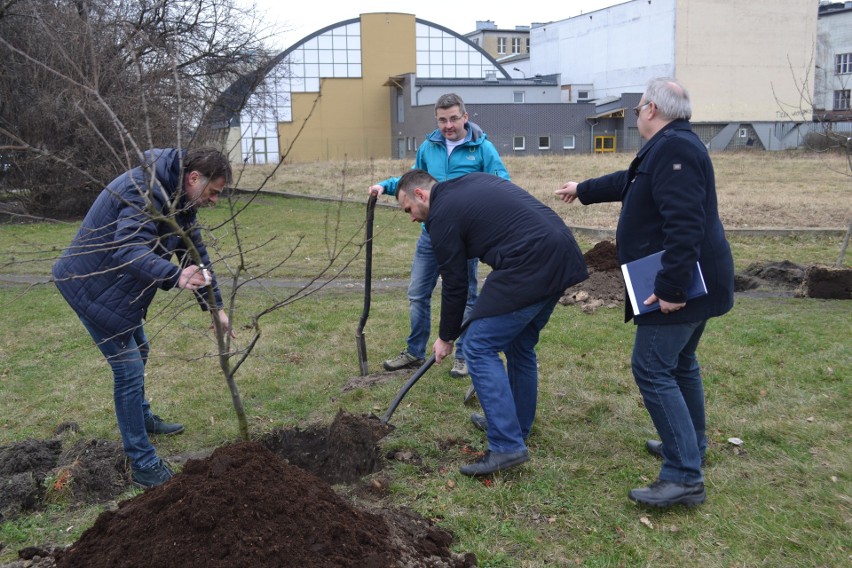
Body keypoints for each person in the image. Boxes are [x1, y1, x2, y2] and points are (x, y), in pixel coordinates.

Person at [556, 77, 735, 508]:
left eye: (637, 109)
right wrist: (583, 190)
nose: (636, 116)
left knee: (653, 367)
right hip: (697, 280)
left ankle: (683, 475)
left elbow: (685, 223)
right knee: (680, 363)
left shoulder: (676, 149)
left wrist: (672, 287)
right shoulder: (671, 145)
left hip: (680, 284)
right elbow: (631, 181)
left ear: (652, 108)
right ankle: (691, 444)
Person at [52, 147, 234, 489]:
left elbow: (195, 251)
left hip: (113, 290)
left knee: (142, 350)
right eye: (213, 193)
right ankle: (143, 462)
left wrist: (216, 308)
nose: (213, 201)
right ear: (194, 178)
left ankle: (142, 417)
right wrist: (175, 276)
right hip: (88, 285)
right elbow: (129, 249)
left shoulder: (179, 199)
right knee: (129, 368)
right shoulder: (143, 191)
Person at [395, 169, 588, 476]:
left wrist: (446, 338)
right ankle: (514, 424)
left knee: (478, 346)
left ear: (420, 195)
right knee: (519, 344)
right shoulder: (469, 183)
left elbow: (456, 284)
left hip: (529, 261)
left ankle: (506, 445)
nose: (412, 218)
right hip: (561, 251)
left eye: (409, 210)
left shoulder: (441, 216)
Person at [369, 93, 510, 379]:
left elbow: (501, 184)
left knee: (467, 295)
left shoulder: (483, 149)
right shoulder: (428, 147)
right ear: (437, 119)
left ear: (465, 117)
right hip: (430, 234)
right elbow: (413, 180)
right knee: (418, 293)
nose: (448, 125)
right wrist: (385, 185)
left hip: (462, 237)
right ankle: (414, 350)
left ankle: (464, 355)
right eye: (443, 119)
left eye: (454, 118)